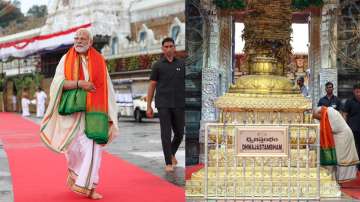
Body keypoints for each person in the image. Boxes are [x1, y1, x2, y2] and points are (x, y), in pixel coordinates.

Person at [39, 28, 119, 199]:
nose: (79, 41)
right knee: (74, 150)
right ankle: (77, 176)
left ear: (90, 42)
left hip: (94, 113)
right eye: (76, 38)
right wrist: (79, 84)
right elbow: (57, 84)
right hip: (72, 115)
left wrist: (111, 111)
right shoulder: (65, 58)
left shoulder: (99, 60)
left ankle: (88, 186)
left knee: (93, 148)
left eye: (83, 38)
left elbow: (107, 88)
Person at [146, 37, 184, 172]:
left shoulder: (182, 64)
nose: (168, 49)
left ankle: (171, 153)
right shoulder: (157, 65)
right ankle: (168, 162)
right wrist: (149, 105)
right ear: (162, 49)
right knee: (166, 134)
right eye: (166, 46)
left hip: (179, 104)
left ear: (175, 48)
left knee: (180, 133)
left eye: (171, 46)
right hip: (163, 104)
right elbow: (152, 85)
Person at [313, 106, 359, 183]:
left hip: (344, 136)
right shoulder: (326, 113)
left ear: (320, 113)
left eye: (319, 117)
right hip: (338, 136)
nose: (320, 119)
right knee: (336, 157)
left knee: (340, 158)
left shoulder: (331, 112)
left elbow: (332, 127)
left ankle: (339, 180)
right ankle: (335, 179)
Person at [342, 83, 360, 163]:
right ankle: (353, 164)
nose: (359, 94)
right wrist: (345, 127)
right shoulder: (349, 101)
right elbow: (345, 114)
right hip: (352, 129)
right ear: (354, 92)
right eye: (357, 92)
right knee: (353, 147)